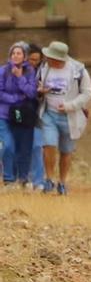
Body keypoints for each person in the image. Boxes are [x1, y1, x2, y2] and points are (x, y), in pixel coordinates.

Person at [35, 41, 90, 197]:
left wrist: (70, 105)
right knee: (48, 145)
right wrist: (40, 91)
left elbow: (87, 93)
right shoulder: (44, 68)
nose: (50, 60)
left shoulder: (78, 71)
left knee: (66, 150)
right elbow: (37, 88)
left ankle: (62, 181)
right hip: (49, 113)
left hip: (69, 116)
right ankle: (49, 179)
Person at [1, 44, 41, 188]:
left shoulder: (30, 72)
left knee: (24, 147)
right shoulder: (3, 71)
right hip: (4, 114)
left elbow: (31, 93)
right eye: (13, 53)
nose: (16, 56)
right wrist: (16, 98)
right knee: (8, 146)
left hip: (22, 115)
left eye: (19, 53)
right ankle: (8, 178)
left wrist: (19, 77)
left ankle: (23, 179)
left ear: (24, 57)